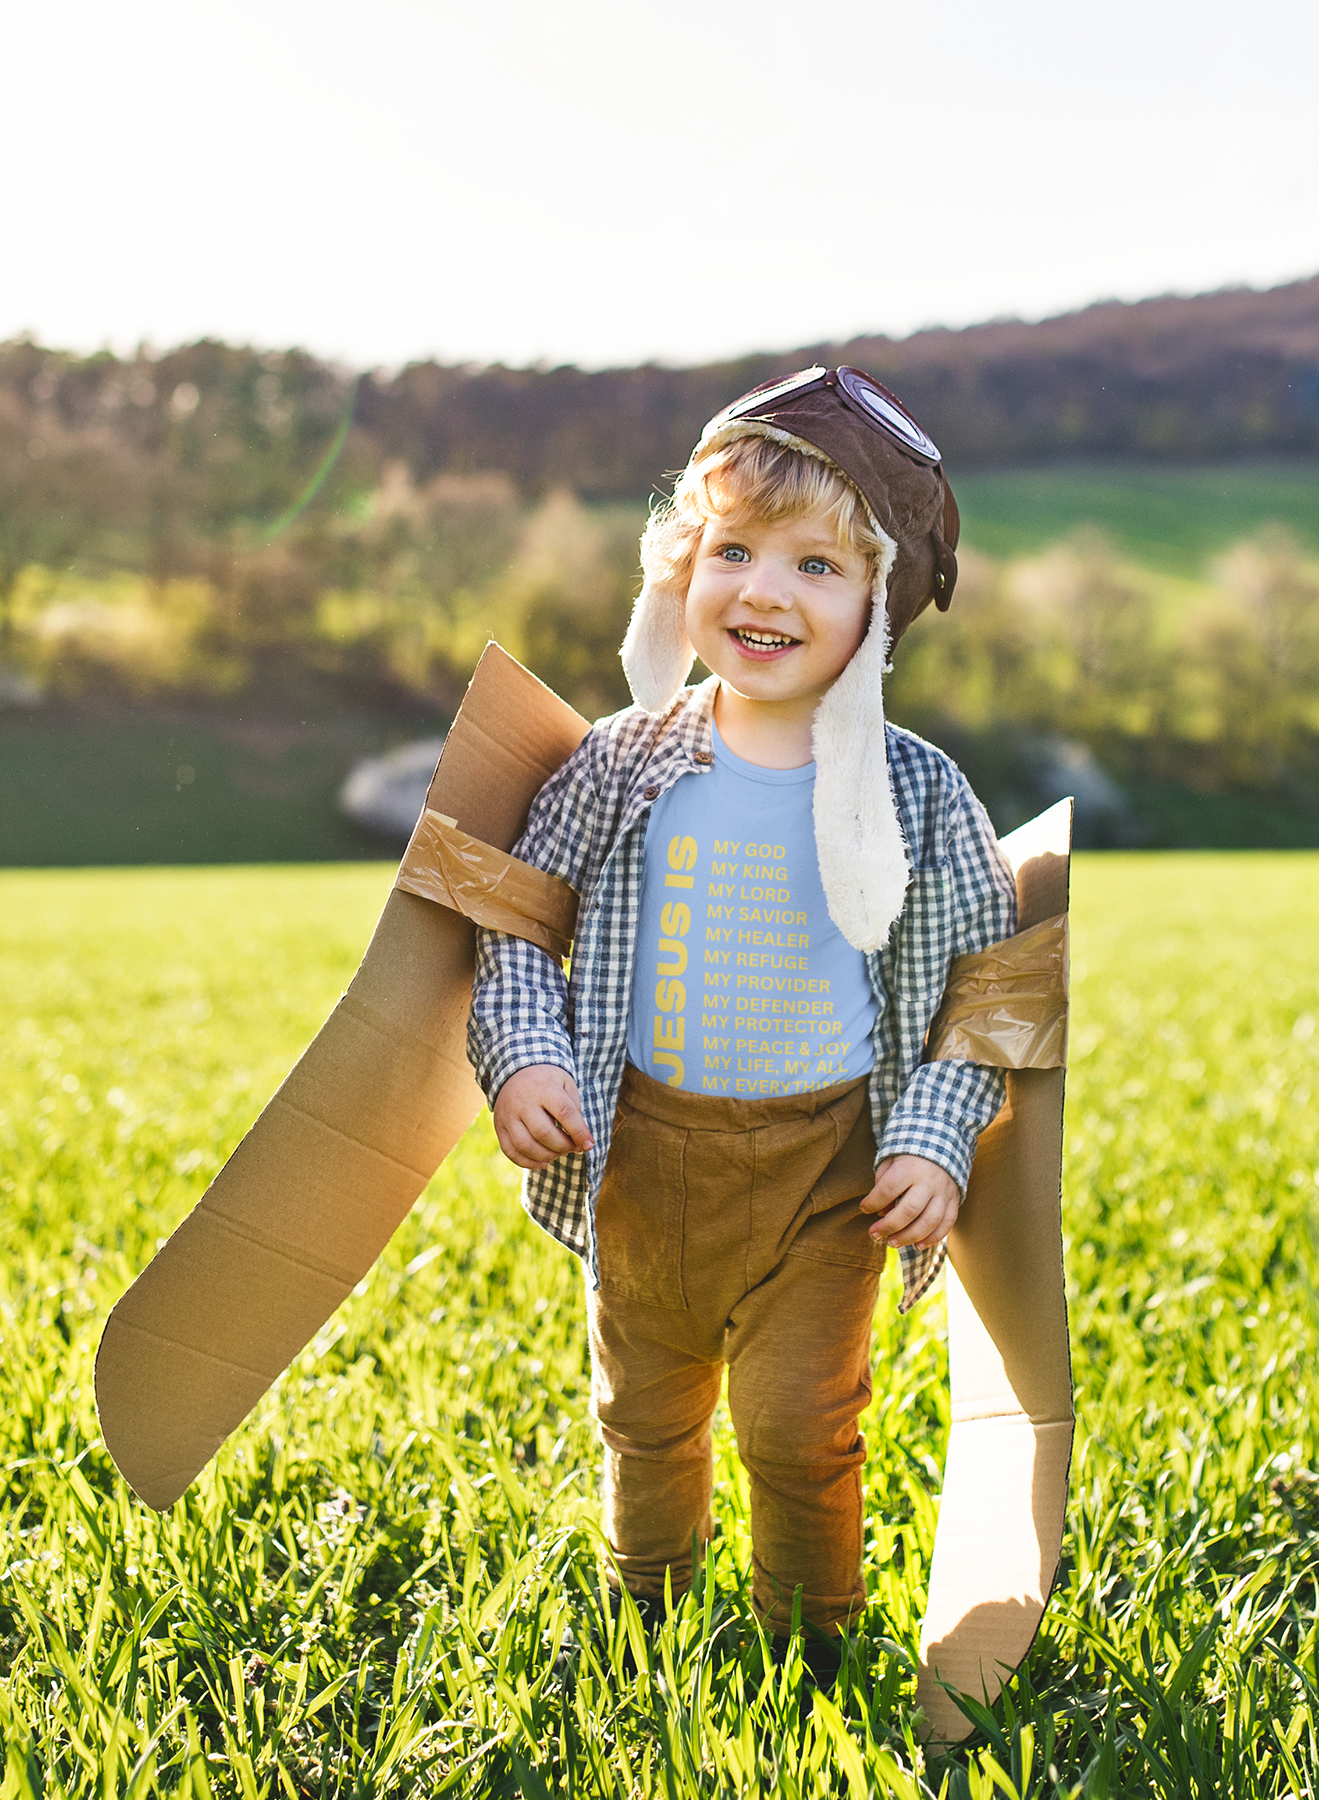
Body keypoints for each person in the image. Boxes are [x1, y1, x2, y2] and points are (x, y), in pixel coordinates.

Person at [466, 366, 1016, 1675]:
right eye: (736, 551)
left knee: (798, 1425)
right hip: (643, 1157)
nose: (765, 591)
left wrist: (934, 1140)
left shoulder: (917, 793)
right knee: (645, 1413)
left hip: (826, 1176)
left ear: (878, 606)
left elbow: (988, 991)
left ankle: (808, 1647)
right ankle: (645, 1619)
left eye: (819, 565)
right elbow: (517, 926)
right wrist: (526, 1054)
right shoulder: (621, 761)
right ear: (682, 567)